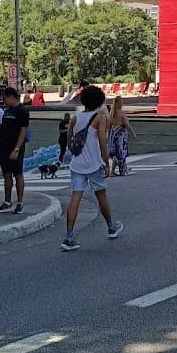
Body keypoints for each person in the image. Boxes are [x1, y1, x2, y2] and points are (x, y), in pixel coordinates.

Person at [61, 85, 123, 250]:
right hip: (94, 164)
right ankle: (111, 227)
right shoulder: (100, 118)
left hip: (77, 165)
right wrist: (107, 163)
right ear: (99, 101)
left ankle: (69, 236)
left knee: (75, 198)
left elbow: (69, 143)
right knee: (101, 195)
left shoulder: (74, 118)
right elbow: (103, 143)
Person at [0, 87, 29, 214]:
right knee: (6, 174)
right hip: (4, 145)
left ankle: (19, 202)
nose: (4, 101)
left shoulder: (22, 110)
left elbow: (23, 131)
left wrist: (17, 149)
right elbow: (6, 127)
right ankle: (7, 201)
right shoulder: (7, 110)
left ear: (11, 97)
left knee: (18, 174)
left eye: (5, 99)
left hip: (16, 146)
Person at [108, 95, 136, 175]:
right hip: (121, 135)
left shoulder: (111, 113)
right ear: (120, 103)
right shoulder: (122, 113)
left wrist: (109, 136)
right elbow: (127, 124)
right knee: (122, 153)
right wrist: (133, 133)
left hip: (113, 134)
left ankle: (113, 171)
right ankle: (123, 169)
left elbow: (109, 126)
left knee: (116, 154)